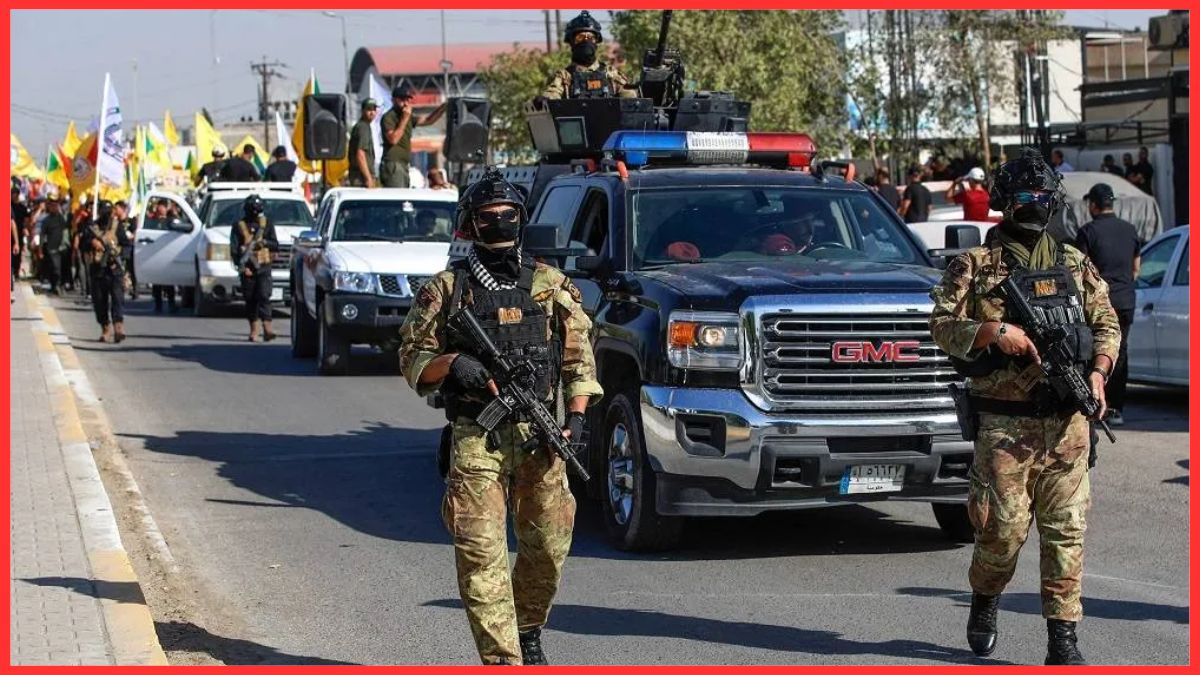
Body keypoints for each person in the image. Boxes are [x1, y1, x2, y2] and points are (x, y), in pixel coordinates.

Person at [397, 168, 602, 665]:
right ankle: (503, 660)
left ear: (521, 219)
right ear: (470, 224)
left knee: (549, 547)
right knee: (481, 554)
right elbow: (413, 359)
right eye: (488, 216)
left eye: (508, 214)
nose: (499, 223)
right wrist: (453, 364)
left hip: (540, 436)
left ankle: (527, 628)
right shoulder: (446, 290)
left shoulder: (551, 285)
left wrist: (575, 421)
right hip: (477, 436)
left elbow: (579, 364)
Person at [929, 148, 1120, 666]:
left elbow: (1106, 323)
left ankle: (1063, 642)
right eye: (1023, 197)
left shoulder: (1073, 263)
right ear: (1003, 201)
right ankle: (985, 598)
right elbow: (941, 325)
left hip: (1067, 425)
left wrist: (1099, 373)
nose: (1032, 205)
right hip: (1004, 428)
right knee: (1003, 534)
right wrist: (994, 332)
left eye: (1040, 196)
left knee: (1066, 535)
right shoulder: (975, 265)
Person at [1074, 183, 1141, 427]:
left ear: (1093, 205)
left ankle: (1095, 404)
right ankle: (1116, 408)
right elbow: (1136, 268)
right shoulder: (1130, 230)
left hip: (1099, 302)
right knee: (1120, 352)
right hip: (1126, 300)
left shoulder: (1088, 231)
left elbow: (1081, 270)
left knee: (1093, 351)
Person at [538, 11, 635, 102]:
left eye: (590, 38)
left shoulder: (610, 73)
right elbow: (553, 93)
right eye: (580, 37)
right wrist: (545, 99)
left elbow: (629, 95)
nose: (586, 41)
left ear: (596, 42)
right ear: (572, 42)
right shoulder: (565, 76)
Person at [80, 200, 132, 343]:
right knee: (99, 301)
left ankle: (118, 328)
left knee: (117, 299)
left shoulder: (117, 226)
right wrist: (92, 243)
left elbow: (126, 246)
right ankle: (105, 328)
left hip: (114, 269)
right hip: (98, 270)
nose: (107, 215)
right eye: (104, 212)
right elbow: (82, 245)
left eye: (109, 212)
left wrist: (120, 257)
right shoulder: (92, 228)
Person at [228, 194, 279, 342]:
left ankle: (268, 328)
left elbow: (275, 244)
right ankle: (254, 331)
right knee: (250, 299)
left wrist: (264, 243)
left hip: (264, 266)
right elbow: (234, 249)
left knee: (264, 296)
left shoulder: (267, 224)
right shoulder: (239, 226)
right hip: (248, 268)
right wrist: (242, 267)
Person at [380, 84, 447, 188]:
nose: (406, 103)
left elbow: (428, 120)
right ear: (394, 100)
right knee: (397, 194)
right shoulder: (389, 117)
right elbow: (393, 139)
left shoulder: (407, 117)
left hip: (404, 164)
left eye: (408, 100)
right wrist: (404, 119)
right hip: (393, 164)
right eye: (402, 99)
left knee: (405, 194)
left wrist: (443, 107)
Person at [38, 198, 69, 295]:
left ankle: (56, 285)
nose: (54, 208)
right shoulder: (46, 220)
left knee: (59, 268)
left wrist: (66, 244)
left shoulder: (61, 218)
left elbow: (65, 231)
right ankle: (55, 285)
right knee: (55, 268)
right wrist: (40, 250)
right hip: (51, 248)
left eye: (56, 205)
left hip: (61, 248)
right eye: (52, 206)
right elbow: (42, 235)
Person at [348, 99, 378, 188]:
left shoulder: (363, 126)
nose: (372, 113)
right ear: (363, 111)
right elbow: (360, 153)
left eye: (374, 110)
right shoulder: (363, 127)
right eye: (369, 110)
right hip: (361, 178)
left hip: (360, 176)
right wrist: (368, 178)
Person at [112, 201, 138, 299]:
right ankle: (121, 288)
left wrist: (131, 236)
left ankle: (135, 289)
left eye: (117, 208)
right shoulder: (115, 222)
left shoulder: (131, 221)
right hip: (118, 248)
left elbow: (135, 232)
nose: (115, 210)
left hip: (129, 247)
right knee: (120, 269)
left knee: (131, 269)